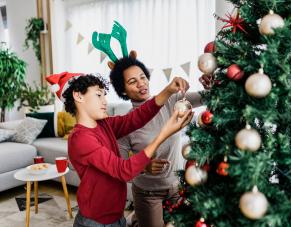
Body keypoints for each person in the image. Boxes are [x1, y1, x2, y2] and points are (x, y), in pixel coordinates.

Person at [45, 72, 193, 227]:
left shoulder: (104, 124)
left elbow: (135, 118)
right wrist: (164, 133)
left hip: (116, 216)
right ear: (78, 96)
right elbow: (123, 170)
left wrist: (168, 91)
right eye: (98, 95)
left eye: (104, 95)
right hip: (95, 222)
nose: (105, 101)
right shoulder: (80, 138)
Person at [110, 56, 210, 227]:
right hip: (148, 192)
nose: (141, 84)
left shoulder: (171, 100)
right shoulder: (124, 125)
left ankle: (136, 219)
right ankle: (137, 219)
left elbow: (206, 97)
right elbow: (120, 167)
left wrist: (210, 83)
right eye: (133, 81)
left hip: (177, 186)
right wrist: (143, 167)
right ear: (123, 90)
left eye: (142, 77)